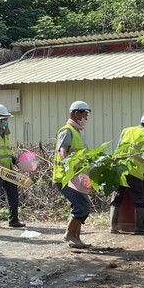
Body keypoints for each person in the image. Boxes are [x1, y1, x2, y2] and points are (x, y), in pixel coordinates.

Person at [53, 100, 92, 249]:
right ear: (76, 113)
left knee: (81, 204)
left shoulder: (76, 132)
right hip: (66, 178)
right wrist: (69, 167)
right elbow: (62, 150)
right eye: (84, 114)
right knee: (83, 205)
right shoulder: (67, 130)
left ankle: (75, 237)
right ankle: (70, 234)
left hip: (77, 177)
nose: (86, 117)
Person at [109, 112, 144, 235]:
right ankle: (139, 227)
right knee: (139, 199)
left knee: (117, 197)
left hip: (120, 168)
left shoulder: (126, 130)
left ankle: (113, 227)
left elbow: (118, 147)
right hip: (134, 170)